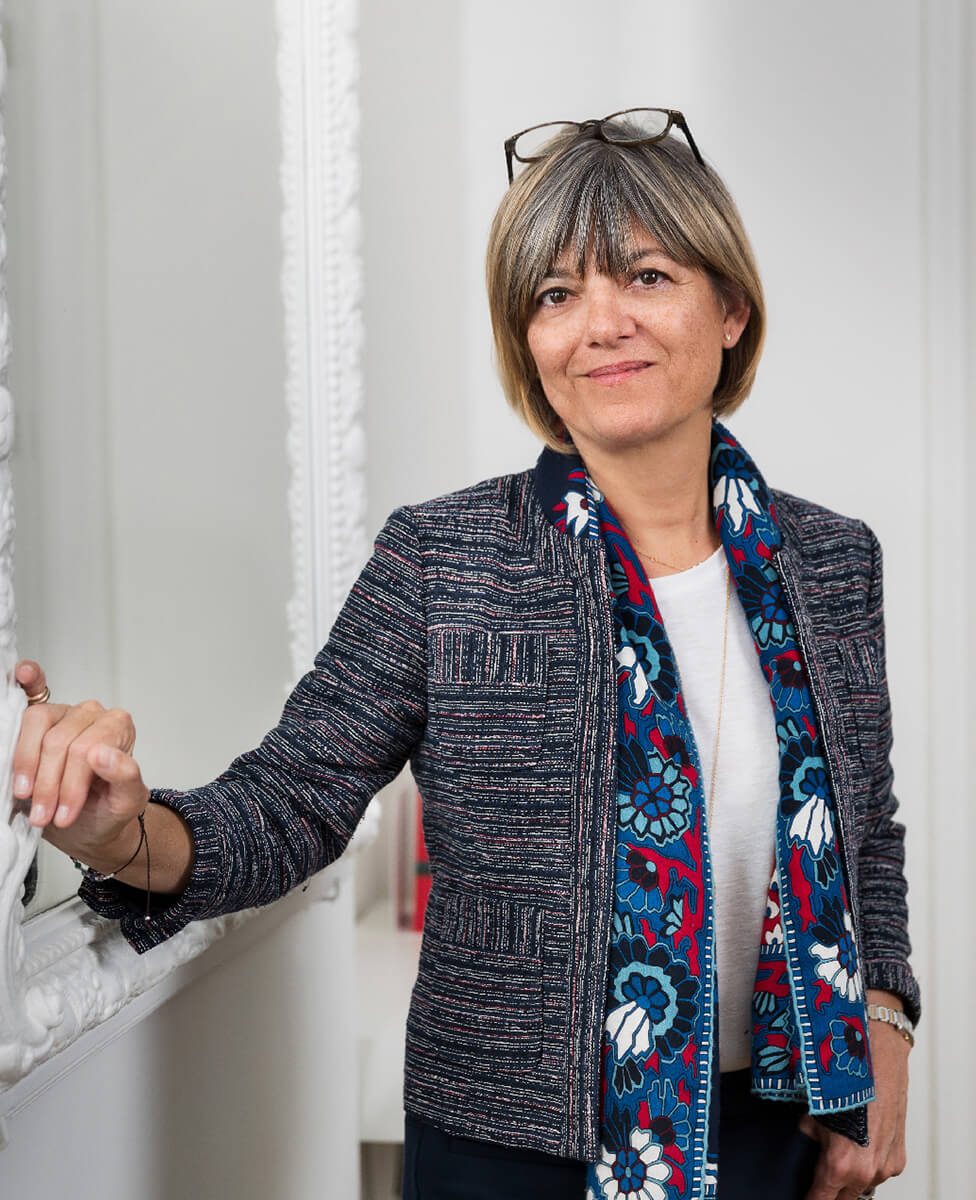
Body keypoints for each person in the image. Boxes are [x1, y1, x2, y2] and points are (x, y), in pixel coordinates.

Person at [12, 107, 918, 1200]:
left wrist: (885, 1019)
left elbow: (865, 829)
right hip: (509, 1149)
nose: (601, 324)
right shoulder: (443, 560)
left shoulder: (832, 562)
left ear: (730, 309)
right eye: (556, 294)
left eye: (645, 276)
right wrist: (121, 833)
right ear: (528, 342)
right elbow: (290, 803)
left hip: (781, 1123)